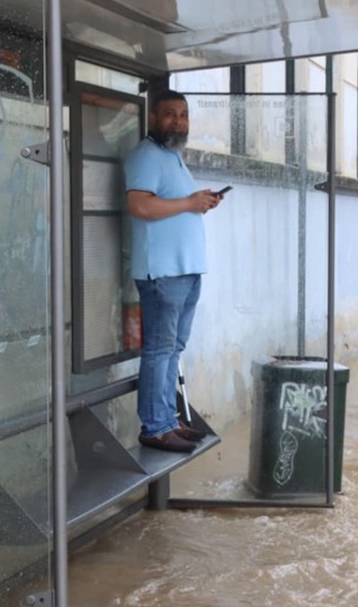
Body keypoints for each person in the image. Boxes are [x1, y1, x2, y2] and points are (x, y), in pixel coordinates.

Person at [124, 90, 224, 453]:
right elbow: (140, 206)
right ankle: (154, 426)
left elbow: (173, 206)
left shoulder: (173, 157)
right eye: (170, 114)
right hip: (162, 273)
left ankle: (168, 420)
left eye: (183, 115)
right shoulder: (146, 155)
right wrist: (189, 202)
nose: (178, 121)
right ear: (153, 117)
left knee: (173, 348)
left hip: (186, 270)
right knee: (160, 349)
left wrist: (200, 203)